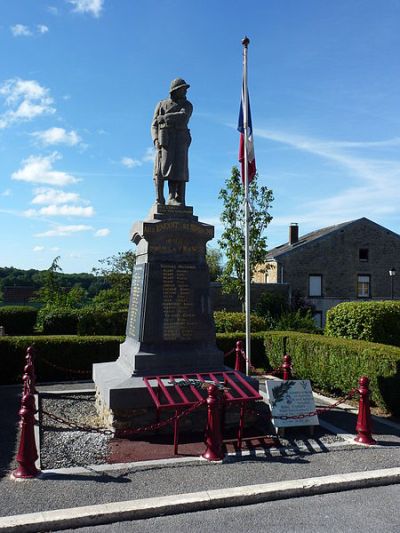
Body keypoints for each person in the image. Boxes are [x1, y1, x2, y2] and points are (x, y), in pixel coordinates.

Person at [151, 78, 193, 206]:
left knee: (179, 170)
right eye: (183, 89)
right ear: (175, 90)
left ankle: (173, 197)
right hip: (165, 139)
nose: (185, 91)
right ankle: (160, 198)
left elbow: (183, 116)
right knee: (163, 168)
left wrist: (164, 117)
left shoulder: (187, 105)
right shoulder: (161, 104)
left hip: (180, 138)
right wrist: (156, 139)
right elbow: (154, 125)